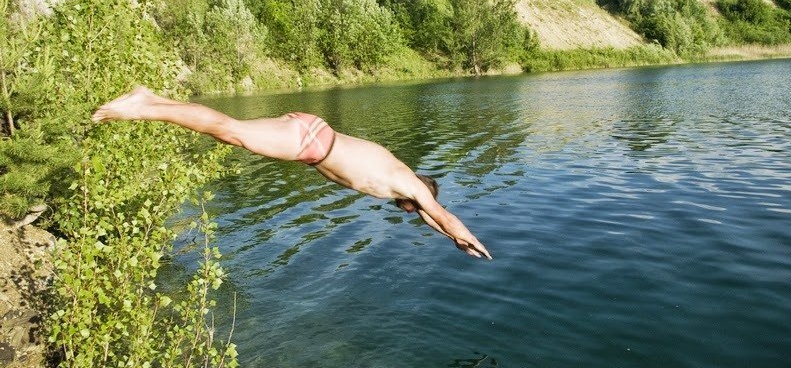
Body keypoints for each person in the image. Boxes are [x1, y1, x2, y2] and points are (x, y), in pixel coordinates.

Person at [92, 87, 492, 259]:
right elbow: (440, 215)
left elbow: (431, 219)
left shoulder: (400, 180)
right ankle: (142, 107)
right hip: (309, 141)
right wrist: (471, 238)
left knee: (227, 133)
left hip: (311, 139)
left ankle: (151, 99)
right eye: (420, 205)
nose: (415, 212)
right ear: (423, 191)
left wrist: (455, 242)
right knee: (230, 129)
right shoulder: (407, 183)